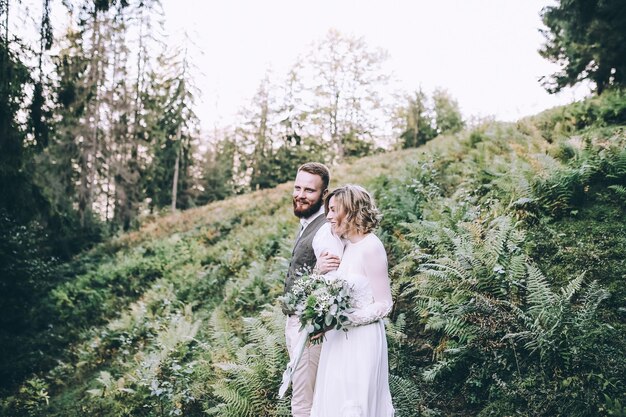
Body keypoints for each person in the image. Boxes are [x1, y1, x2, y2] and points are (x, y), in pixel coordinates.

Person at [311, 184, 395, 417]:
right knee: (334, 401)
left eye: (333, 210)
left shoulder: (371, 247)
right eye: (328, 210)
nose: (327, 216)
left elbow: (385, 304)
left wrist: (343, 318)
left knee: (355, 404)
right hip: (337, 340)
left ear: (350, 211)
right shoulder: (344, 246)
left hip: (362, 340)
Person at [284, 162, 344, 417]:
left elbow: (336, 285)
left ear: (324, 194)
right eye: (298, 187)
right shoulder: (308, 224)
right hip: (299, 323)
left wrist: (316, 326)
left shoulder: (324, 232)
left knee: (303, 403)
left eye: (309, 190)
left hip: (310, 329)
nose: (300, 194)